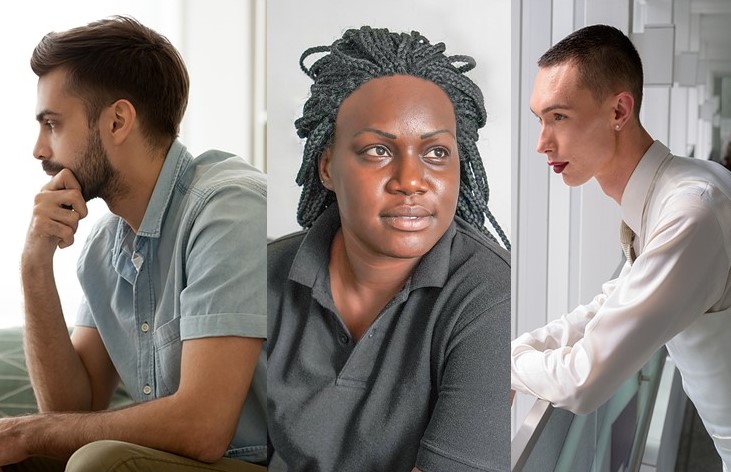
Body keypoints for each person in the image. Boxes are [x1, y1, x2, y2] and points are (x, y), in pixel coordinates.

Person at [6, 16, 267, 471]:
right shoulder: (106, 244)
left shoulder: (227, 209)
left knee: (96, 461)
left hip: (271, 461)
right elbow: (72, 407)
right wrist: (34, 266)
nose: (39, 150)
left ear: (118, 121)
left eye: (52, 124)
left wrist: (26, 432)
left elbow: (203, 427)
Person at [267, 26, 511, 472]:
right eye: (378, 150)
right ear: (326, 166)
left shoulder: (493, 297)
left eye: (436, 153)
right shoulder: (267, 275)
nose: (411, 180)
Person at [511, 24, 731, 470]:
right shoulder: (677, 191)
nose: (541, 143)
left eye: (559, 117)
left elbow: (585, 381)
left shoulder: (691, 211)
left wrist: (511, 364)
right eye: (540, 119)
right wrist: (521, 346)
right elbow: (612, 303)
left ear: (619, 110)